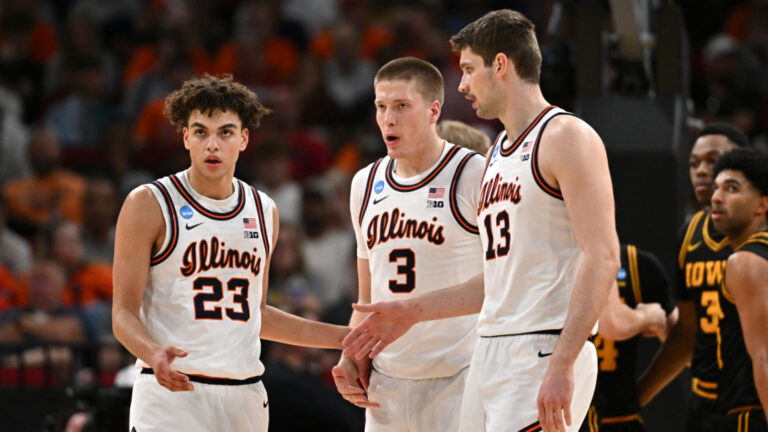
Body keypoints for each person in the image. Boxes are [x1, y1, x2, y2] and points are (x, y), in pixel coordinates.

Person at [344, 10, 621, 432]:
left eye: (469, 69)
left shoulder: (566, 136)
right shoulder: (495, 157)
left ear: (501, 65)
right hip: (490, 349)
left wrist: (565, 362)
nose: (462, 84)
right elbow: (493, 277)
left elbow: (602, 256)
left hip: (543, 346)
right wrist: (411, 311)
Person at [111, 74, 350, 432]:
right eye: (201, 131)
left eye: (224, 132)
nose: (212, 144)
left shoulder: (263, 209)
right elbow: (123, 314)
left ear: (243, 138)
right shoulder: (149, 203)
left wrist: (346, 338)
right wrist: (152, 353)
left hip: (244, 396)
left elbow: (258, 315)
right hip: (172, 392)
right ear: (185, 136)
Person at [331, 56, 486, 432]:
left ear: (434, 110)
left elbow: (504, 280)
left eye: (402, 106)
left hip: (460, 376)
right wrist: (349, 356)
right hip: (387, 385)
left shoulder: (472, 172)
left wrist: (414, 310)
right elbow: (367, 298)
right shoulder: (364, 184)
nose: (388, 118)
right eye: (381, 107)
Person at [637, 123, 749, 432]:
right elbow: (687, 337)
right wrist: (633, 401)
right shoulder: (690, 235)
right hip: (706, 405)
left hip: (754, 402)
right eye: (694, 163)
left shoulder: (757, 234)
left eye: (713, 160)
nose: (701, 170)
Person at [580, 244, 679, 432]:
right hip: (576, 409)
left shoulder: (638, 265)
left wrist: (637, 395)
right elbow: (613, 323)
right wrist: (648, 316)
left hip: (618, 415)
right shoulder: (591, 257)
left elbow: (681, 343)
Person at [709, 147, 768, 431]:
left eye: (731, 189)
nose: (716, 198)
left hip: (751, 413)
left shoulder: (745, 261)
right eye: (716, 188)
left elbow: (764, 356)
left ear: (761, 205)